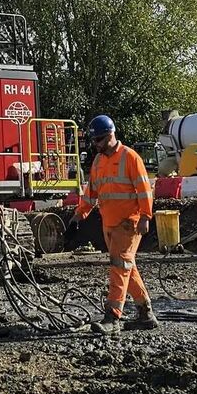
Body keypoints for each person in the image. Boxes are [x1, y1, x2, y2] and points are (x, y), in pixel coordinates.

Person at [73, 114, 157, 332]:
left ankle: (112, 317)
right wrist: (79, 214)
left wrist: (146, 216)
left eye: (99, 140)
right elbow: (91, 192)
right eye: (94, 141)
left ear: (111, 135)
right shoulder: (99, 162)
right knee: (127, 267)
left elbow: (144, 189)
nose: (96, 145)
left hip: (129, 222)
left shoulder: (130, 157)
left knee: (118, 266)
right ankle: (145, 313)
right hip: (109, 223)